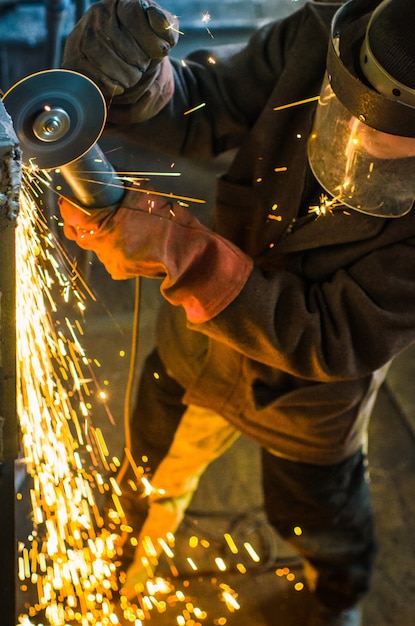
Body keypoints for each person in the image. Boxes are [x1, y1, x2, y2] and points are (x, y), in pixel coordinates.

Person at [58, 0, 415, 624]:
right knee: (146, 480)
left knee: (318, 517)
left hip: (308, 403)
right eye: (352, 106)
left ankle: (339, 597)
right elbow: (212, 103)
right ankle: (120, 569)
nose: (357, 135)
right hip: (196, 349)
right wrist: (142, 84)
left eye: (390, 131)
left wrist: (179, 252)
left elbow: (332, 337)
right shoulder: (319, 36)